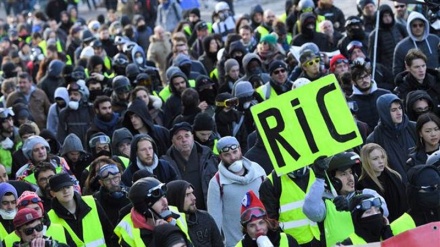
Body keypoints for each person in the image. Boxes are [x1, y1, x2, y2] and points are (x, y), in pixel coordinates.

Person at [302, 152, 388, 247]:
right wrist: (319, 179)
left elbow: (385, 211)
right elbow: (310, 210)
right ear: (332, 180)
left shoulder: (368, 193)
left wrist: (353, 205)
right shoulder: (327, 204)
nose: (350, 178)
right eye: (343, 174)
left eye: (351, 173)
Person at [207, 136, 266, 247]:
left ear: (240, 150)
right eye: (227, 155)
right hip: (236, 243)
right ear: (220, 157)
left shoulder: (258, 170)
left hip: (264, 238)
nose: (233, 157)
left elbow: (270, 201)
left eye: (235, 152)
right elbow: (214, 219)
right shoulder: (217, 182)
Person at [114, 177, 190, 246]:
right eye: (158, 200)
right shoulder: (128, 232)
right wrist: (157, 238)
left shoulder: (176, 214)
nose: (165, 202)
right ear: (144, 208)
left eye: (164, 196)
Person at [47, 173, 116, 246]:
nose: (65, 191)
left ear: (73, 187)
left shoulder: (92, 202)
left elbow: (109, 233)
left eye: (68, 186)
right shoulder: (50, 218)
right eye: (59, 189)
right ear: (52, 193)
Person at [162, 122, 218, 210]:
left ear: (192, 136)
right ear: (173, 141)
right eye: (179, 138)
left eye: (187, 136)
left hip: (209, 208)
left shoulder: (209, 156)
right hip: (182, 212)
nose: (184, 140)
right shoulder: (166, 164)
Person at [259, 164, 319, 247]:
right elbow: (271, 224)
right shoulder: (271, 183)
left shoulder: (316, 173)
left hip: (320, 239)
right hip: (292, 243)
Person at [366, 94, 416, 183]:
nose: (399, 113)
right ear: (384, 112)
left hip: (421, 184)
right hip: (396, 188)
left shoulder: (413, 128)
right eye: (393, 110)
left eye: (400, 108)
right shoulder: (375, 138)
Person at [358, 143, 408, 222]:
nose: (381, 161)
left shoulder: (395, 175)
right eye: (375, 159)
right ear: (366, 161)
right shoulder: (363, 185)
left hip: (404, 221)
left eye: (382, 157)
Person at [166, 180, 223, 247]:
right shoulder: (169, 226)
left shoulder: (205, 218)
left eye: (192, 193)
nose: (194, 198)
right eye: (187, 195)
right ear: (176, 198)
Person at [390, 165, 440, 235]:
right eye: (429, 188)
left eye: (438, 186)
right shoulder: (397, 227)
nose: (435, 191)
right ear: (413, 191)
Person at [394, 48, 440, 116]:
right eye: (416, 67)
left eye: (423, 66)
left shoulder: (436, 82)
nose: (421, 70)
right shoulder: (402, 89)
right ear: (408, 67)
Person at [392, 11, 440, 76]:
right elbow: (397, 73)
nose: (418, 28)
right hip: (414, 84)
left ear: (425, 25)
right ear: (409, 27)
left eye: (421, 25)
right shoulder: (401, 47)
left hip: (436, 82)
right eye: (414, 25)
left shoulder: (435, 40)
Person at [348, 62, 390, 131]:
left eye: (366, 76)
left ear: (370, 76)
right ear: (354, 82)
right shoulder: (350, 102)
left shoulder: (386, 95)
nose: (364, 80)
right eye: (360, 78)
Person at [367, 4, 407, 72]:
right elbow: (374, 58)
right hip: (387, 70)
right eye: (385, 16)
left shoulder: (399, 27)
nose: (388, 18)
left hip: (404, 66)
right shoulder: (375, 35)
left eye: (389, 15)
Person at [57, 81, 94, 148]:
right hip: (72, 150)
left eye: (75, 94)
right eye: (70, 94)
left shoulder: (90, 110)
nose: (72, 96)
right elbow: (61, 135)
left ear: (82, 96)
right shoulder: (64, 113)